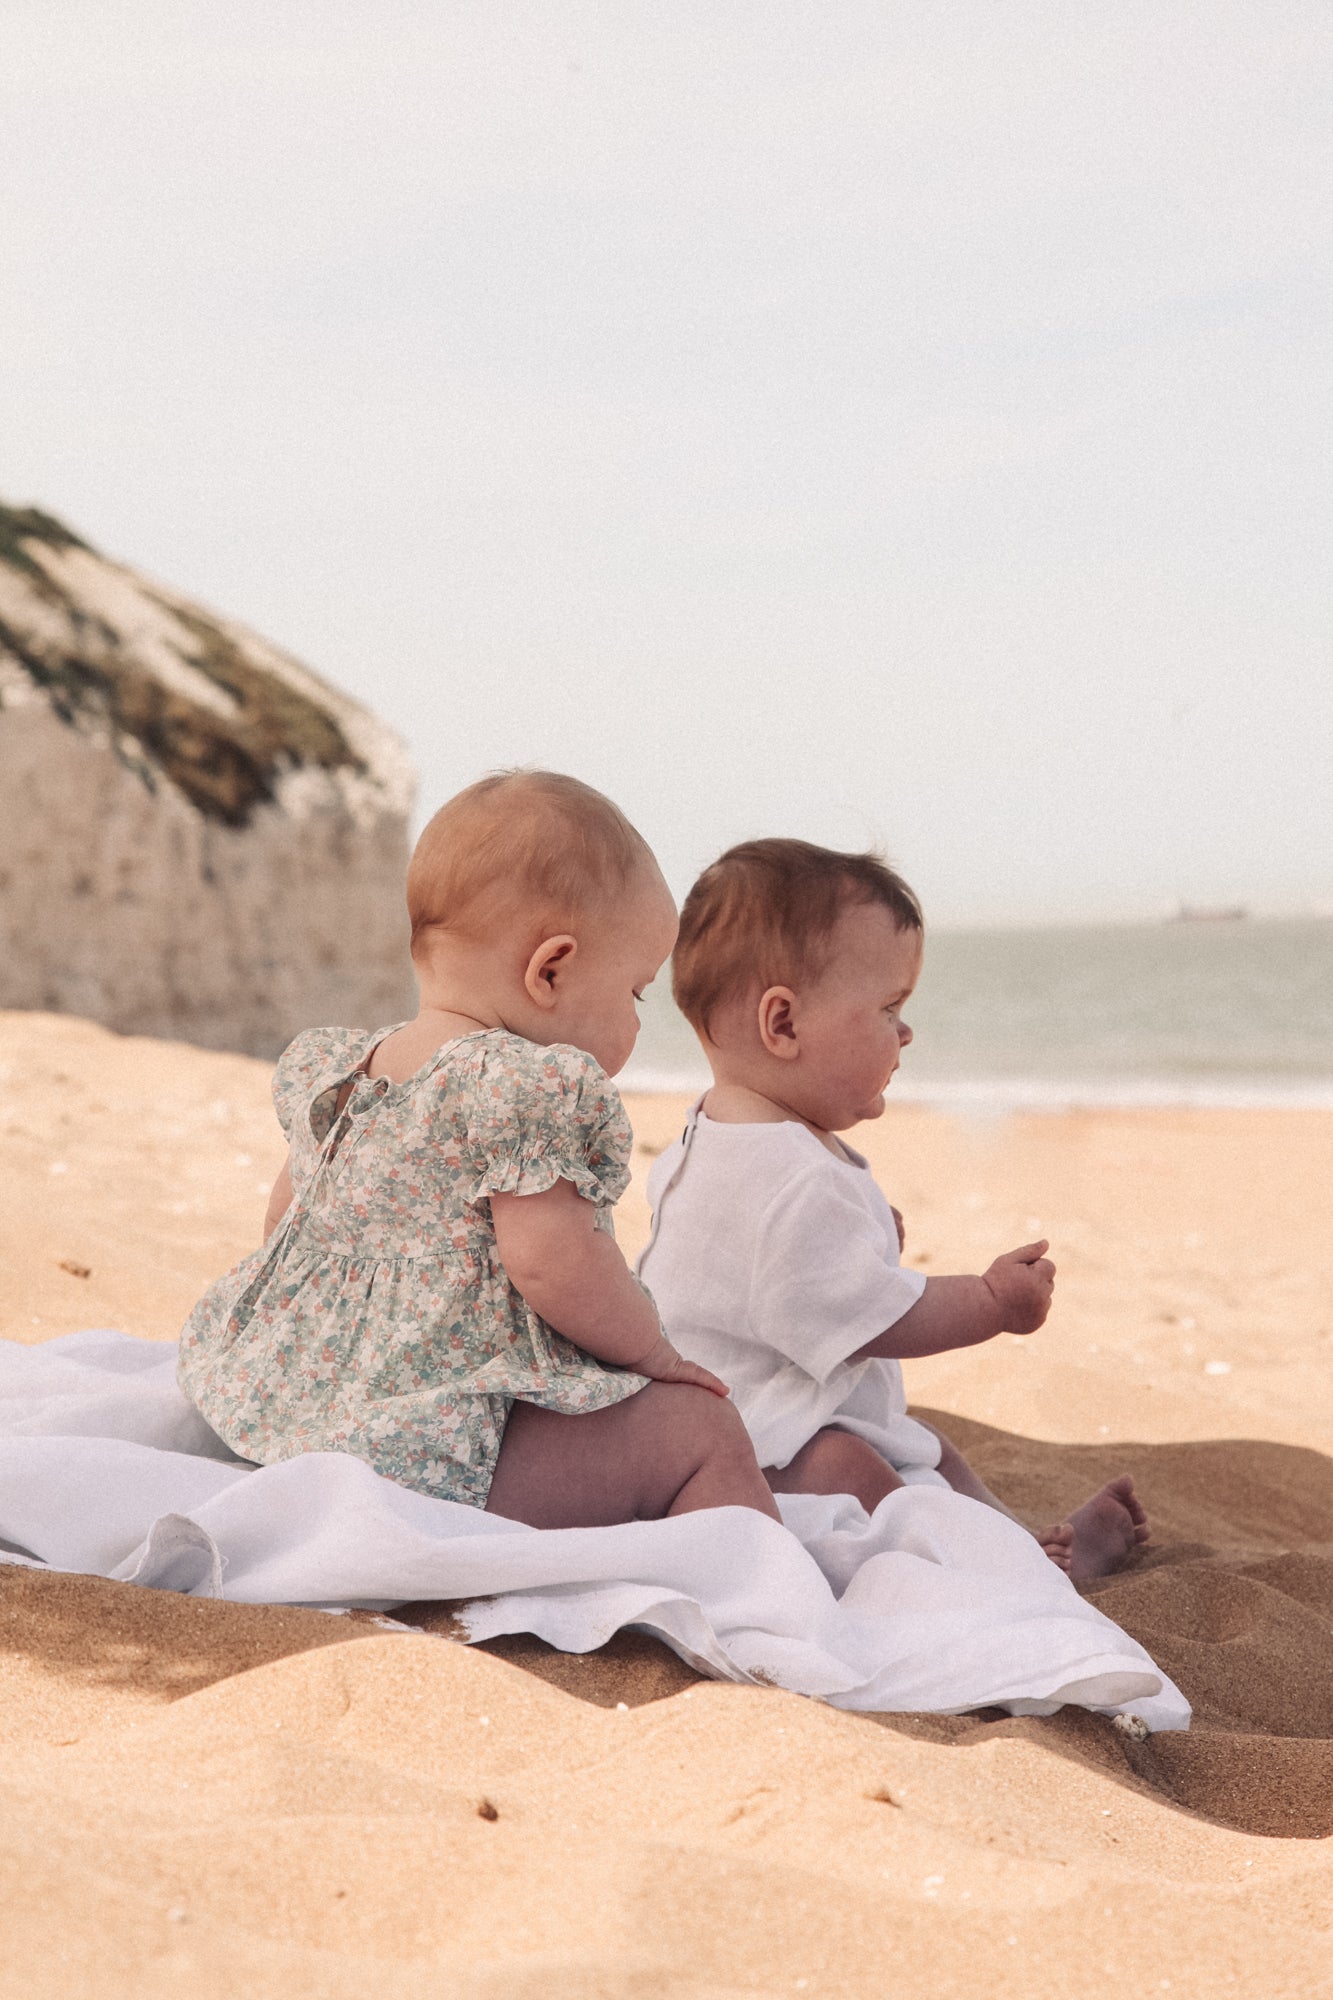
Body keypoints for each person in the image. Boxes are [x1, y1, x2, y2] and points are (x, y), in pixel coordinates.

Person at [177, 771, 781, 1530]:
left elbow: (287, 1223)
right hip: (431, 1453)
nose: (635, 1017)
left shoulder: (348, 1070)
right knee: (704, 1433)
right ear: (550, 970)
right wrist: (653, 1355)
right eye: (634, 990)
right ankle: (759, 1586)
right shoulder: (522, 1088)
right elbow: (553, 1265)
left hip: (286, 1408)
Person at [637, 837, 1149, 1582]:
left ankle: (1015, 1545)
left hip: (705, 1425)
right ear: (782, 1025)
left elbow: (753, 1271)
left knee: (929, 1449)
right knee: (857, 1465)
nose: (905, 1032)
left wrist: (864, 1239)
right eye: (887, 1008)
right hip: (765, 1442)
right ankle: (1010, 1574)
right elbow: (880, 1319)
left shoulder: (707, 1134)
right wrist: (990, 1302)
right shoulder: (796, 1180)